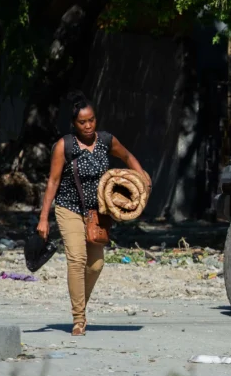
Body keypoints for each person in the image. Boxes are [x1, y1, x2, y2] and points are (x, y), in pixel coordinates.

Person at [36, 91, 151, 336]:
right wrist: (44, 218)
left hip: (96, 213)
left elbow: (127, 156)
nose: (88, 126)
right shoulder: (64, 146)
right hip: (68, 207)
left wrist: (143, 177)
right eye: (82, 122)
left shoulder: (106, 141)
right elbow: (53, 182)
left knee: (96, 265)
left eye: (91, 120)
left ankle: (79, 303)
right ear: (74, 124)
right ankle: (79, 318)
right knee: (77, 260)